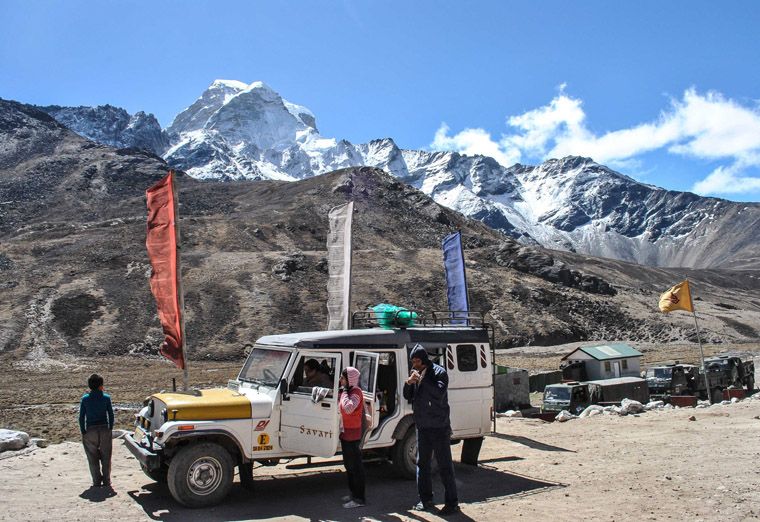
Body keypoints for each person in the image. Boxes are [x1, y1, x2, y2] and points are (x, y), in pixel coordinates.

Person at [403, 344, 459, 515]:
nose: (415, 364)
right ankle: (425, 499)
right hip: (422, 426)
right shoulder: (415, 374)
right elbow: (408, 396)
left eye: (417, 361)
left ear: (424, 359)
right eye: (413, 361)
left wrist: (422, 381)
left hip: (439, 426)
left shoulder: (439, 372)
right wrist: (409, 383)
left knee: (444, 465)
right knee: (422, 464)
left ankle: (452, 502)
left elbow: (439, 392)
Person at [78, 373, 114, 488]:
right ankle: (107, 481)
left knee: (92, 457)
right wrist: (110, 427)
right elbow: (111, 414)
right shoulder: (106, 398)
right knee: (106, 456)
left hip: (90, 430)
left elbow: (81, 417)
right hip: (104, 428)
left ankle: (96, 481)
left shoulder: (85, 399)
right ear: (101, 386)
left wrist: (83, 430)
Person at [338, 367, 366, 508]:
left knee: (355, 467)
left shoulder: (356, 393)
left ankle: (359, 498)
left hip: (353, 434)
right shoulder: (348, 392)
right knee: (349, 466)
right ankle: (353, 494)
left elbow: (348, 408)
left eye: (343, 378)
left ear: (349, 380)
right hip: (345, 433)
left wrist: (343, 393)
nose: (340, 381)